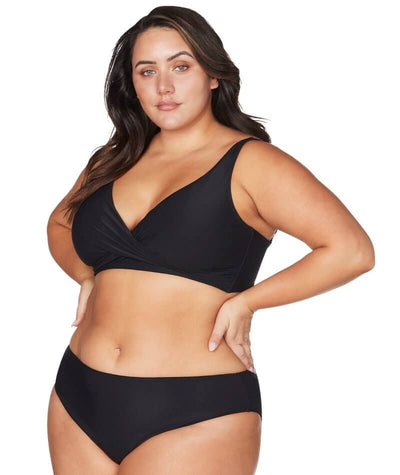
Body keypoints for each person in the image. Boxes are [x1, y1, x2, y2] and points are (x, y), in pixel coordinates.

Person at [46, 5, 375, 474]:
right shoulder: (114, 158)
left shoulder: (253, 162)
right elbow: (60, 224)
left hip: (194, 408)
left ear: (213, 75)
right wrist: (86, 276)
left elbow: (351, 251)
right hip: (78, 395)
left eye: (181, 67)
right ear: (132, 84)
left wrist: (248, 302)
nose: (164, 87)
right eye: (147, 71)